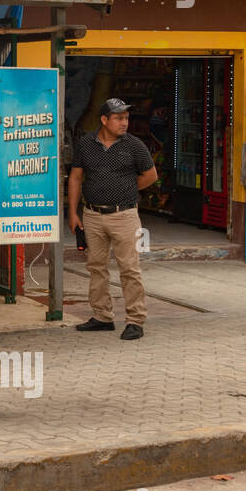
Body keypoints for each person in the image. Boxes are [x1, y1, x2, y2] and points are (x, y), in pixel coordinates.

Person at [68, 98, 159, 340]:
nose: (124, 123)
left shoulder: (134, 145)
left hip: (125, 216)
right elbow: (76, 177)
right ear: (104, 120)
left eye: (126, 118)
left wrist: (127, 190)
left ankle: (135, 320)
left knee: (130, 269)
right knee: (96, 268)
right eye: (119, 118)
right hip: (93, 215)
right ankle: (102, 317)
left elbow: (151, 175)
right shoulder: (86, 144)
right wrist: (72, 212)